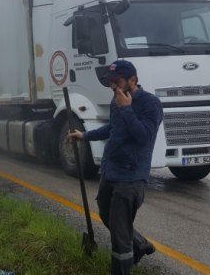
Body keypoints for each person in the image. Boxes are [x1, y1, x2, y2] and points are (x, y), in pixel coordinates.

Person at [69, 60, 163, 275]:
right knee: (105, 213)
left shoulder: (151, 104)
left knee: (119, 238)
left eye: (117, 82)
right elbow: (113, 128)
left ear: (133, 80)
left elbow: (144, 137)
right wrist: (84, 135)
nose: (113, 87)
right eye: (111, 82)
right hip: (111, 171)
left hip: (131, 178)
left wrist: (127, 110)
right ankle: (139, 244)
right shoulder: (117, 100)